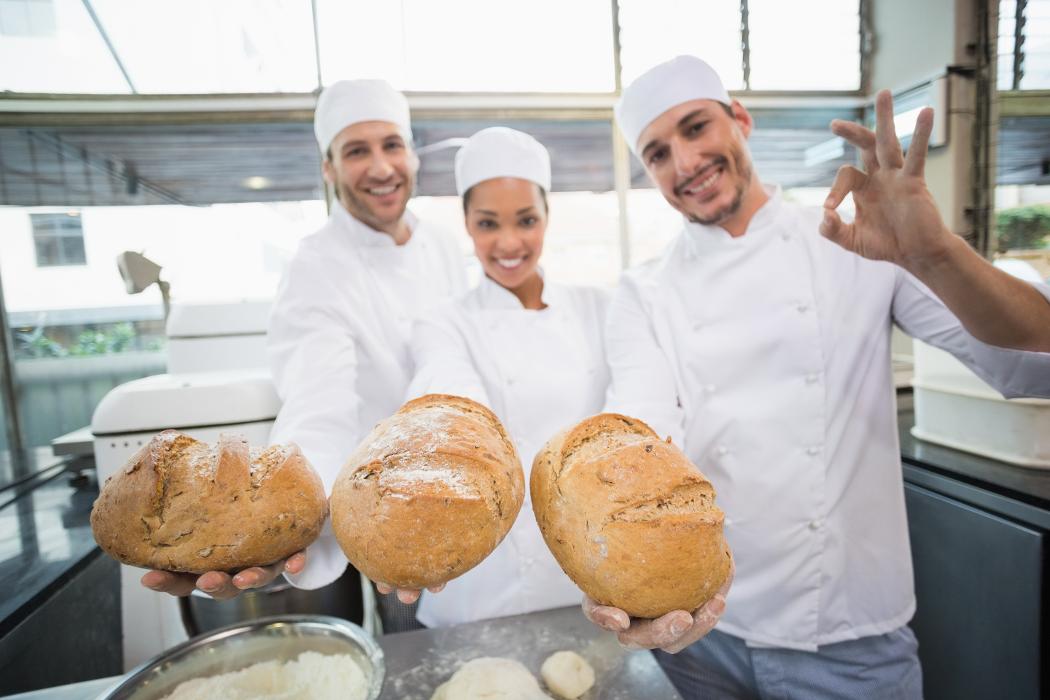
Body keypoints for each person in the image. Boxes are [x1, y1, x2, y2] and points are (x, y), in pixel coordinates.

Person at [584, 55, 1050, 698]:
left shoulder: (855, 239)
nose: (685, 163)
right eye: (657, 154)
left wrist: (937, 254)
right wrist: (616, 570)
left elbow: (1027, 365)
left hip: (845, 640)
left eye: (696, 129)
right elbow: (640, 438)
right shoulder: (645, 291)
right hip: (698, 634)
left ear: (739, 119)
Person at [141, 79, 467, 607]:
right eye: (356, 151)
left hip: (462, 491)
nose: (381, 167)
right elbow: (320, 402)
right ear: (329, 169)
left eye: (392, 145)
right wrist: (281, 523)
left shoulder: (445, 246)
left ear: (411, 154)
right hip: (385, 518)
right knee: (413, 641)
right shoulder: (316, 266)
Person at [405, 127, 610, 627]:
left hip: (581, 572)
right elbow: (448, 392)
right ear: (468, 226)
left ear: (547, 217)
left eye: (526, 221)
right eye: (488, 224)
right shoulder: (442, 321)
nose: (509, 242)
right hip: (479, 582)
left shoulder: (598, 309)